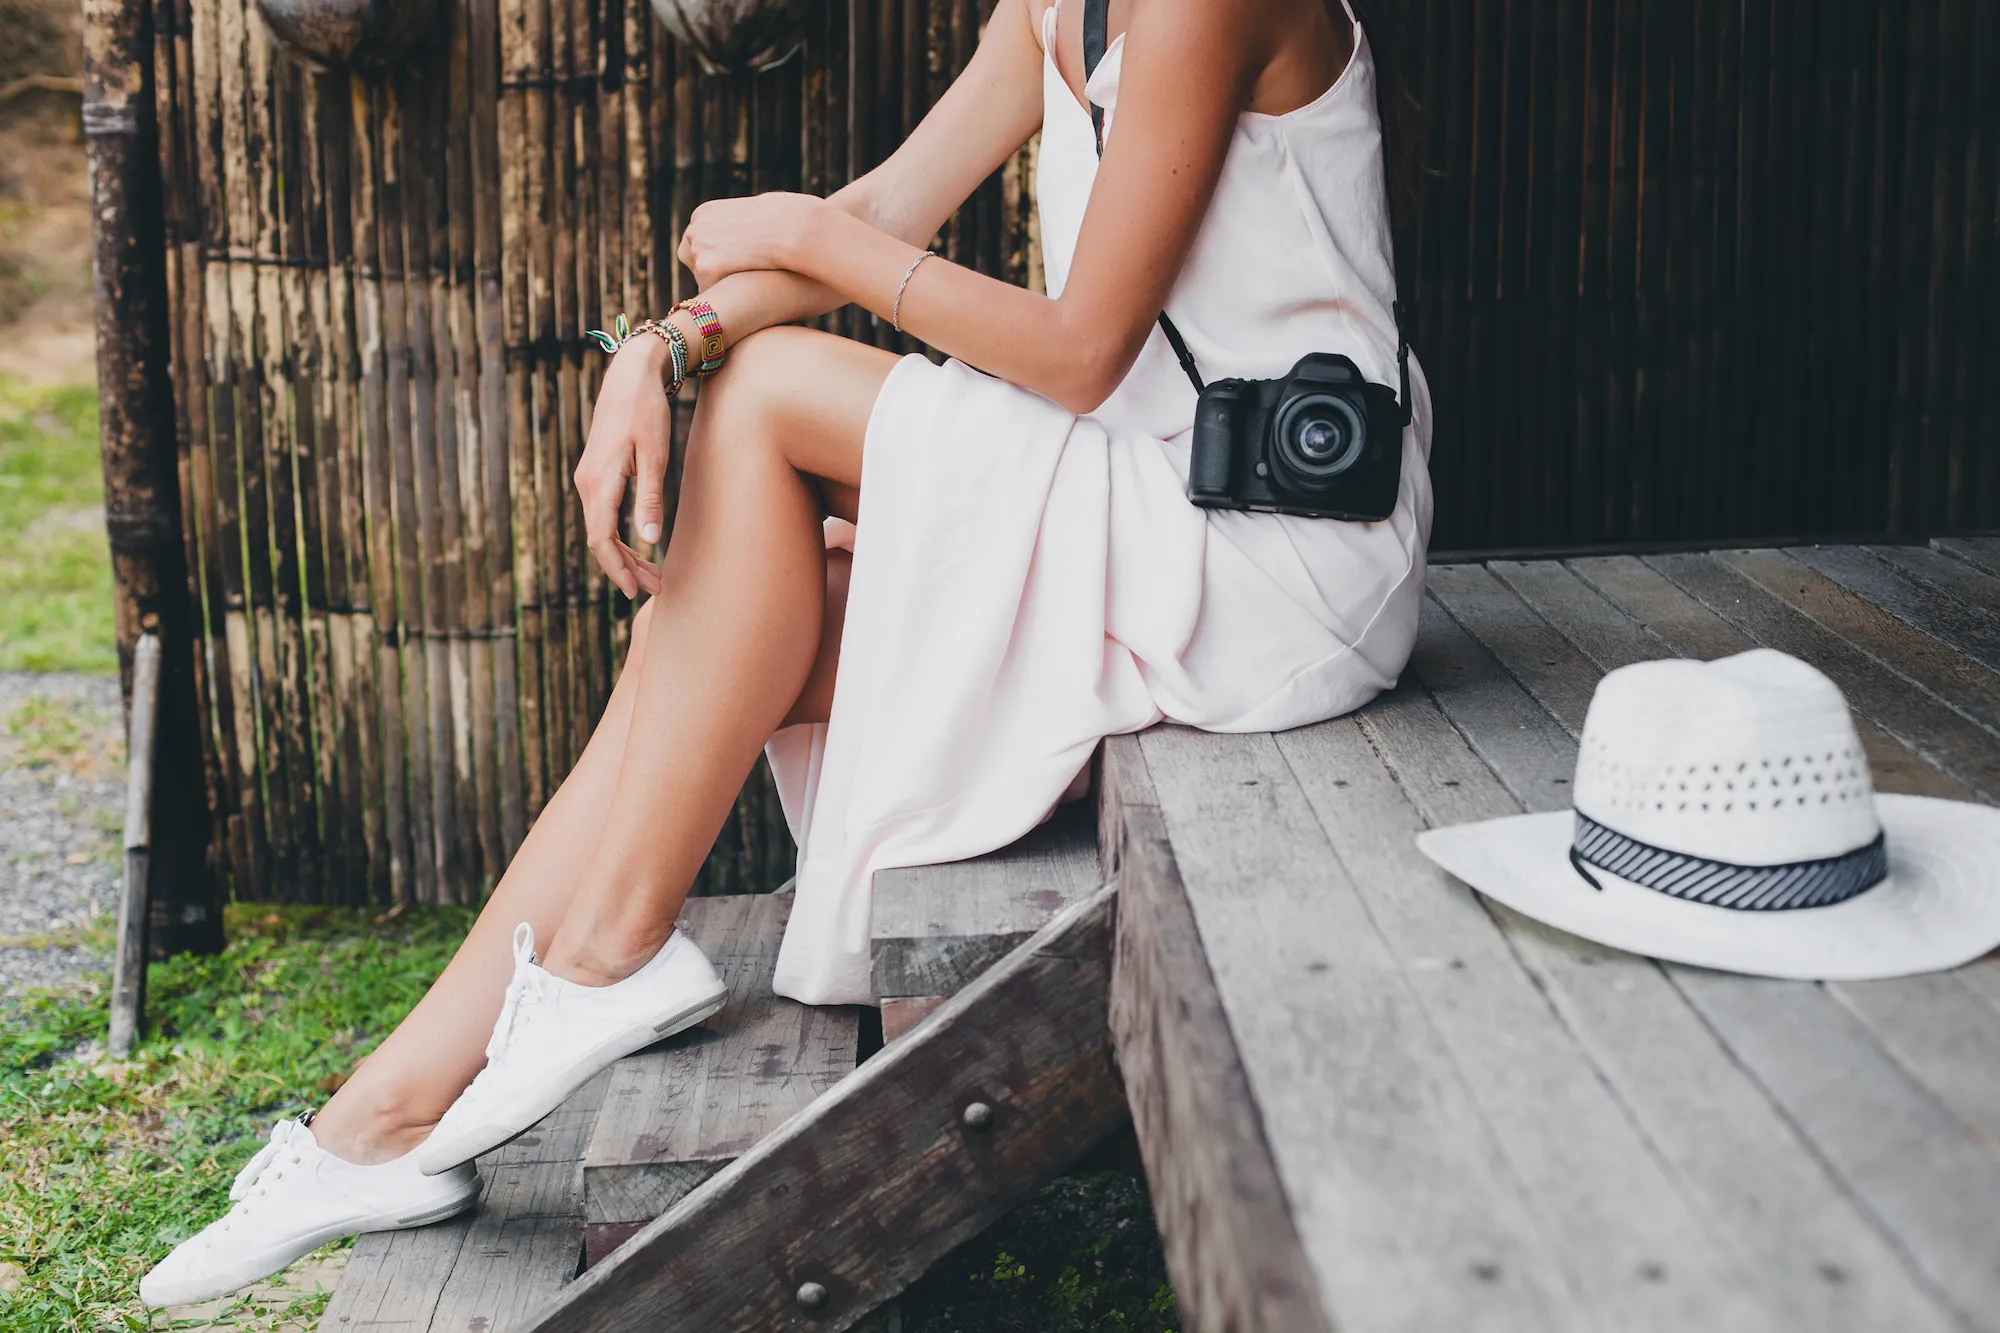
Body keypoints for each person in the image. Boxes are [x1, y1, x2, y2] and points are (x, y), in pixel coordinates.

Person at [140, 0, 1433, 1306]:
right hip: (1143, 501)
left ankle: (606, 958)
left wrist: (804, 247)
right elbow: (888, 211)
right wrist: (657, 346)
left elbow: (1082, 350)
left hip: (1275, 551)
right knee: (701, 635)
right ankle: (386, 1120)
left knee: (763, 406)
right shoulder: (1049, 8)